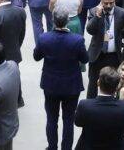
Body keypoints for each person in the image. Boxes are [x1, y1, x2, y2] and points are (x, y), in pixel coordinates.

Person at [34, 8, 88, 150]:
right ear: (68, 21)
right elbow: (85, 59)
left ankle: (52, 147)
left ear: (53, 20)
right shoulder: (77, 40)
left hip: (51, 84)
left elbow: (36, 56)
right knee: (68, 120)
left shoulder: (44, 38)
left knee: (52, 119)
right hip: (71, 85)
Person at [86, 0, 124, 99]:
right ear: (101, 1)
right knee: (93, 84)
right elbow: (90, 30)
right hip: (97, 55)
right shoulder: (94, 11)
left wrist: (122, 39)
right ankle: (90, 109)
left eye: (111, 3)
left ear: (115, 1)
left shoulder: (122, 13)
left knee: (115, 84)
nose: (108, 5)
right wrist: (97, 16)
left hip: (114, 56)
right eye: (105, 3)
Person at [75, 66, 124, 149]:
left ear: (98, 83)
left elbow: (78, 123)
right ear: (116, 87)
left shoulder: (84, 105)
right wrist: (121, 100)